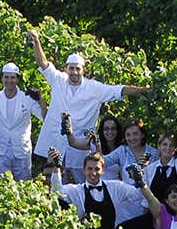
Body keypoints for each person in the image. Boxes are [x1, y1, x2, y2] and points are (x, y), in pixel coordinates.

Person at [28, 30, 149, 180]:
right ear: (66, 68)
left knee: (83, 184)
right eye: (71, 68)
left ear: (83, 70)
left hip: (81, 146)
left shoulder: (95, 88)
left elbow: (119, 90)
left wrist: (144, 90)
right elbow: (43, 63)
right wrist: (36, 41)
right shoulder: (58, 79)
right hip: (56, 141)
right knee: (54, 183)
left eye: (77, 68)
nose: (74, 72)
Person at [50, 152, 145, 229]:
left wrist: (140, 176)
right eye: (89, 169)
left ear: (103, 170)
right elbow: (57, 192)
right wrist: (56, 168)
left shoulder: (115, 187)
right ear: (84, 170)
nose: (93, 173)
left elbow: (137, 195)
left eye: (97, 169)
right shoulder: (76, 190)